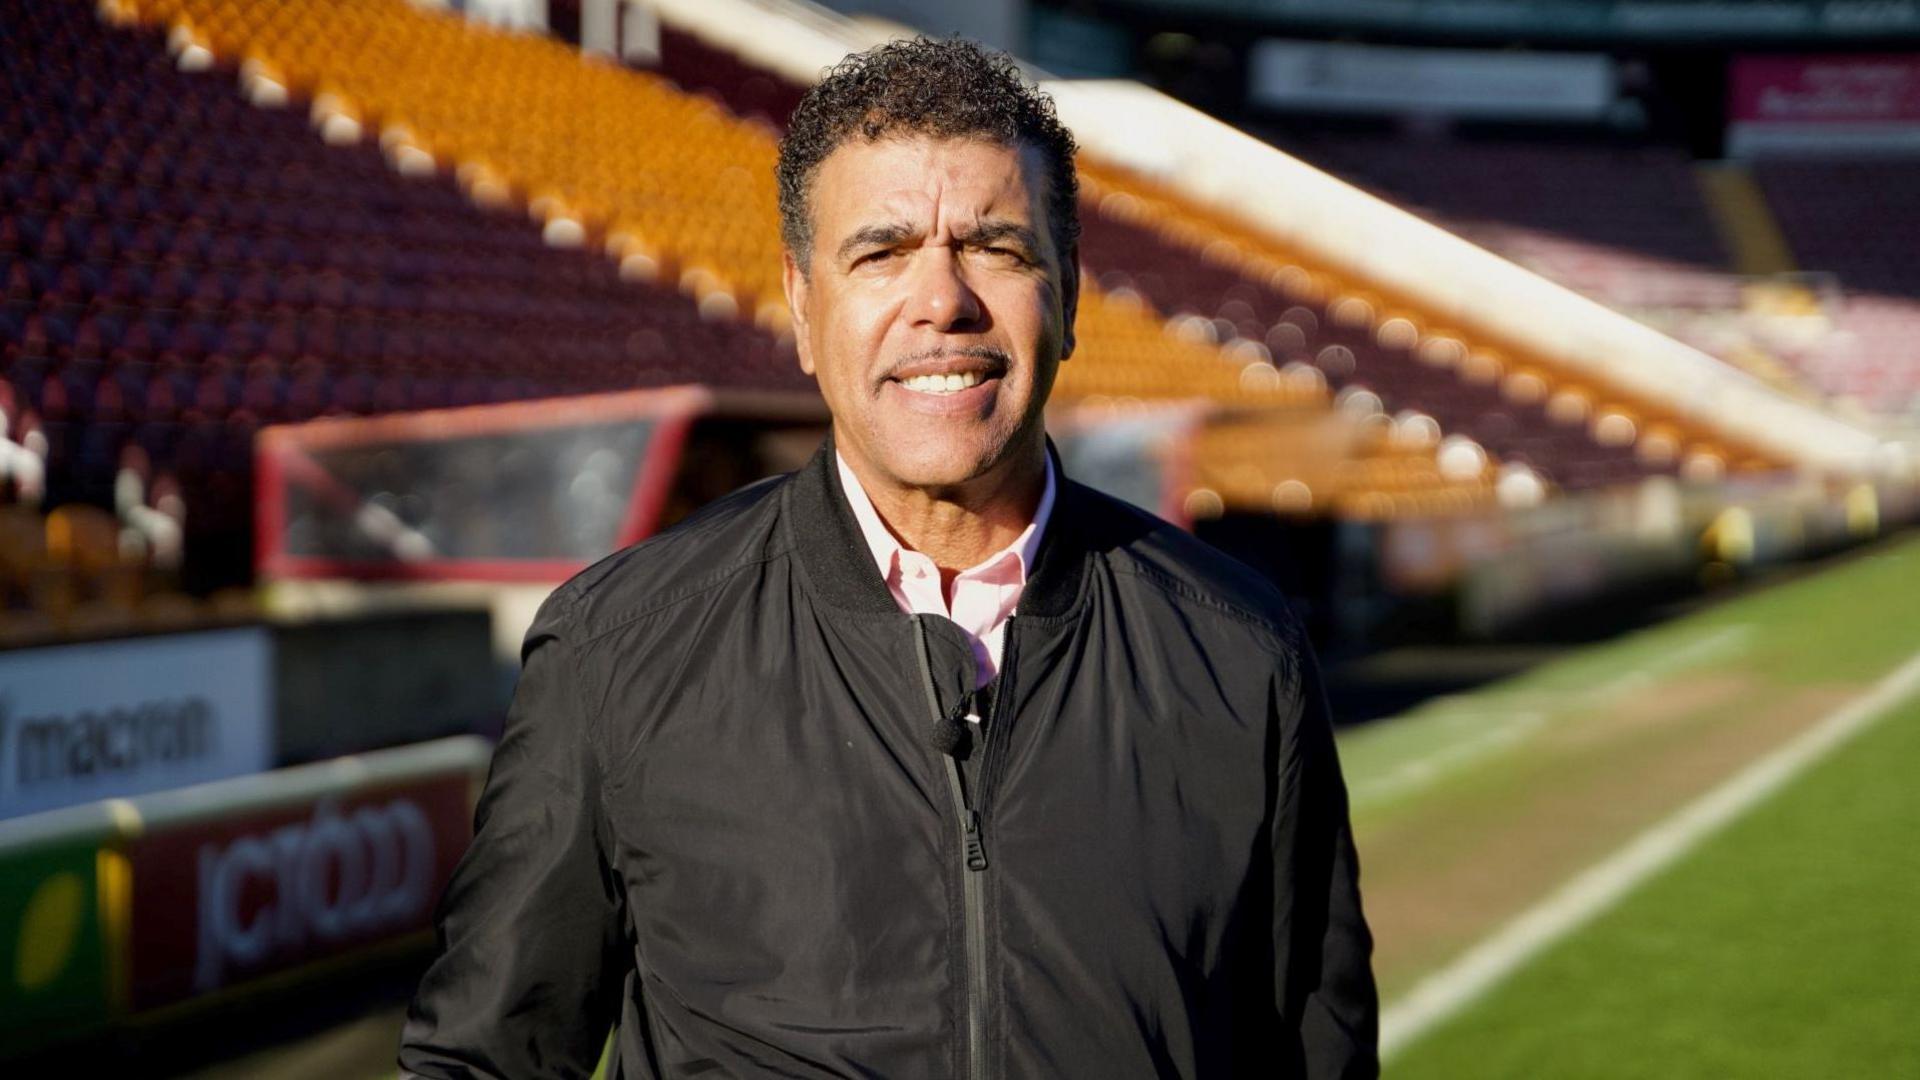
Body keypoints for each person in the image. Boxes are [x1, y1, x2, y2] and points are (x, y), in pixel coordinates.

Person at [400, 36, 1376, 1079]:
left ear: (1071, 295)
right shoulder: (619, 650)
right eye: (881, 250)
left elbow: (1316, 1052)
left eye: (997, 247)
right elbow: (482, 1061)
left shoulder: (1240, 650)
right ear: (803, 307)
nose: (942, 300)